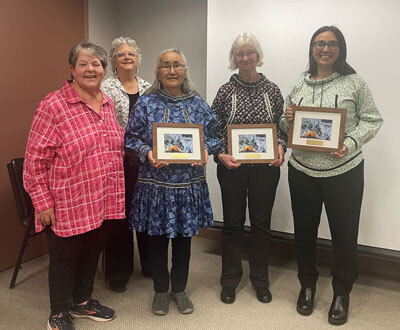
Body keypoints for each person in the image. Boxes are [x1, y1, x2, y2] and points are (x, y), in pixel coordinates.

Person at [279, 26, 383, 325]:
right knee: (304, 234)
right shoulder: (299, 83)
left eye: (332, 44)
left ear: (341, 48)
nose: (325, 49)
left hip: (344, 172)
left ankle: (341, 292)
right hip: (302, 172)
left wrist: (349, 143)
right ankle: (307, 286)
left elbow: (373, 119)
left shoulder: (355, 83)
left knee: (344, 236)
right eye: (319, 44)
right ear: (312, 48)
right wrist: (287, 120)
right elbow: (288, 128)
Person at [23, 41, 125, 330]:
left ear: (104, 70)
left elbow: (112, 144)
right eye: (84, 64)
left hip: (102, 197)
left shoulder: (106, 101)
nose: (90, 69)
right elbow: (34, 160)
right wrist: (42, 203)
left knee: (92, 252)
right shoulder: (53, 105)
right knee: (64, 258)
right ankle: (58, 312)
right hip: (68, 200)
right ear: (72, 69)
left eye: (97, 64)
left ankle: (81, 302)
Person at [124, 48, 221, 316]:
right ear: (157, 72)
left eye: (177, 65)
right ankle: (160, 290)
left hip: (187, 187)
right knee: (156, 240)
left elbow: (216, 137)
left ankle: (179, 289)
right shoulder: (146, 103)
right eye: (165, 66)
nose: (172, 70)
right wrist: (148, 153)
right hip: (155, 186)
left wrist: (205, 151)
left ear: (185, 70)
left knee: (183, 241)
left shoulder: (198, 104)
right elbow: (130, 138)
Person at [211, 33, 287, 304]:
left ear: (257, 56)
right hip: (232, 167)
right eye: (239, 54)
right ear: (234, 58)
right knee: (232, 224)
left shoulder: (273, 90)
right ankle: (230, 281)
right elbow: (213, 128)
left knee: (261, 225)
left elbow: (283, 128)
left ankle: (260, 281)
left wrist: (280, 145)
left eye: (250, 53)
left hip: (265, 168)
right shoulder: (225, 91)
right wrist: (219, 153)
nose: (245, 58)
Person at [101, 37, 151, 292]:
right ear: (113, 61)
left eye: (131, 54)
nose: (127, 57)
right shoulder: (106, 88)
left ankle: (151, 264)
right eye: (121, 54)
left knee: (145, 211)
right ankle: (118, 272)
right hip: (118, 162)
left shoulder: (149, 87)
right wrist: (130, 147)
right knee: (119, 216)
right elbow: (105, 124)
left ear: (138, 58)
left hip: (146, 163)